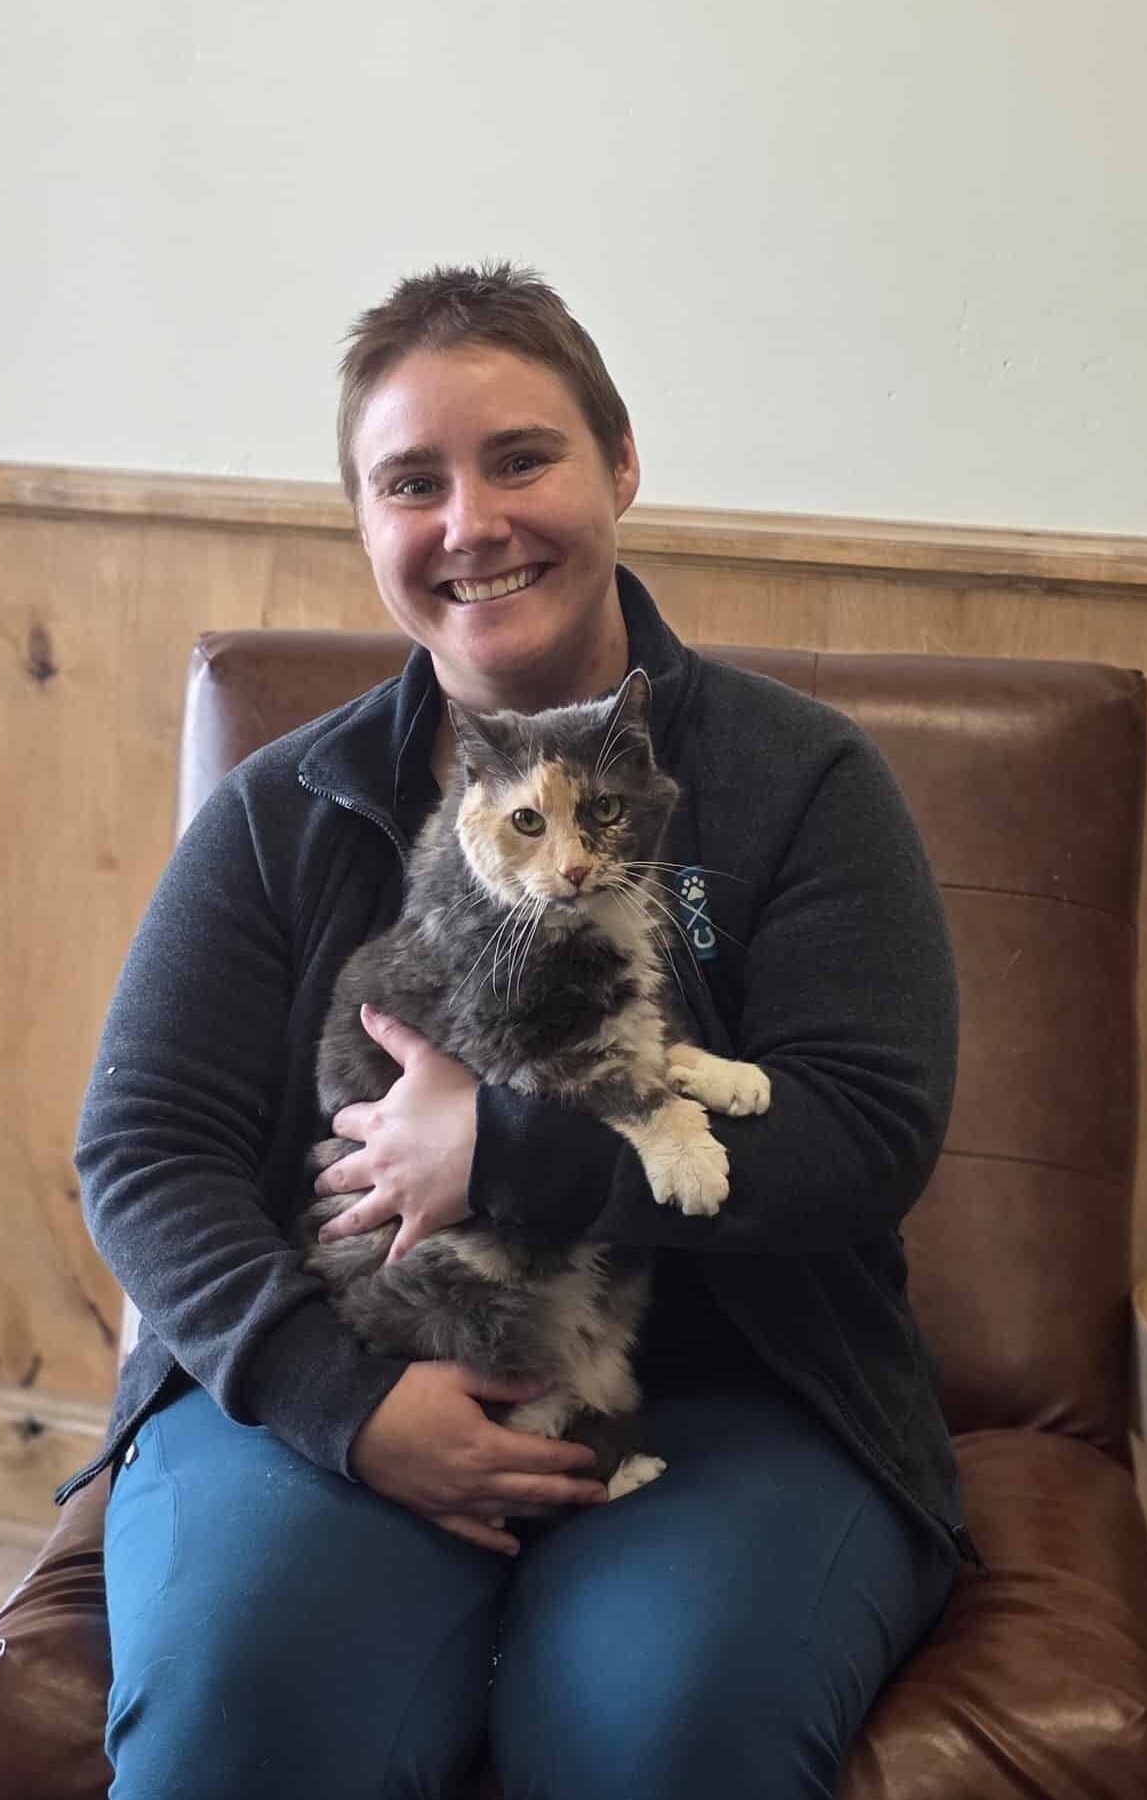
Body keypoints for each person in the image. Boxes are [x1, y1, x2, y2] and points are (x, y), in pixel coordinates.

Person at [57, 263, 972, 1799]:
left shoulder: (804, 780)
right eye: (412, 483)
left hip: (740, 1394)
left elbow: (865, 1137)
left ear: (622, 465)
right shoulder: (284, 810)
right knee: (242, 1714)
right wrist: (340, 1406)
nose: (470, 523)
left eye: (523, 457)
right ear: (366, 528)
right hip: (351, 1361)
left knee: (657, 1735)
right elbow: (142, 1151)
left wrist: (513, 1152)